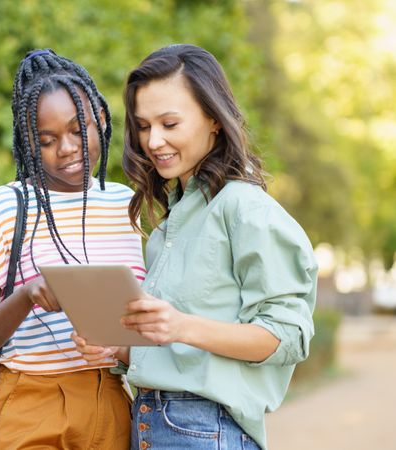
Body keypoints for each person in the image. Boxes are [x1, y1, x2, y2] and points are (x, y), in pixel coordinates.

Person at [73, 44, 318, 450]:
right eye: (144, 125)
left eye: (170, 123)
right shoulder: (175, 218)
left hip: (205, 431)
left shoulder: (244, 208)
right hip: (151, 423)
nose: (153, 141)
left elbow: (288, 336)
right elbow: (184, 358)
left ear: (213, 120)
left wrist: (182, 325)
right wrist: (117, 349)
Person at [0, 49, 145, 449]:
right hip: (31, 402)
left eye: (79, 129)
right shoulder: (5, 207)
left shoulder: (126, 205)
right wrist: (25, 296)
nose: (69, 148)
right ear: (27, 144)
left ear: (102, 121)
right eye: (47, 140)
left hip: (111, 400)